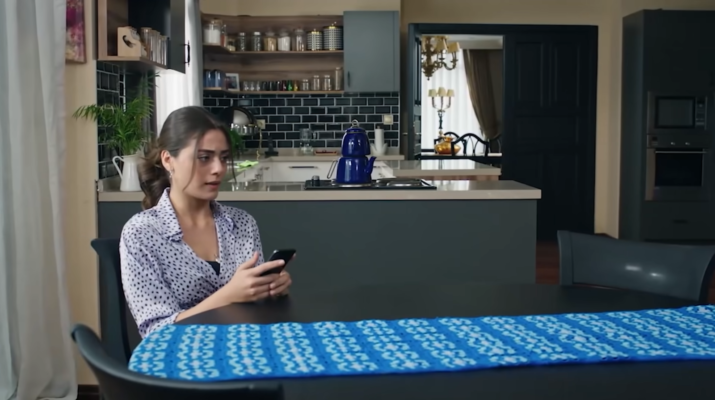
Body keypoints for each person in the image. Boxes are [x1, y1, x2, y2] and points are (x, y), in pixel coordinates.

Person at [119, 106, 292, 338]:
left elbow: (257, 310)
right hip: (182, 356)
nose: (218, 169)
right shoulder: (141, 233)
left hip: (244, 347)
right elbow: (156, 333)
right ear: (168, 160)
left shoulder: (243, 223)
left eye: (223, 158)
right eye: (204, 158)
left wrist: (271, 289)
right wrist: (228, 295)